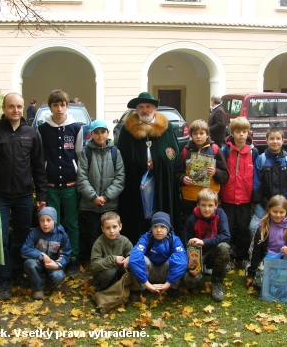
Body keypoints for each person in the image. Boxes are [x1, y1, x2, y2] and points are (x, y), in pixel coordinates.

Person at [0, 93, 47, 300]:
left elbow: (38, 167)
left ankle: (16, 272)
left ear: (23, 109)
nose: (16, 110)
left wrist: (41, 195)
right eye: (11, 106)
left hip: (23, 195)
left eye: (19, 106)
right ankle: (3, 281)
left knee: (22, 238)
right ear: (4, 108)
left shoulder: (31, 133)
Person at [117, 92, 180, 241]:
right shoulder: (127, 130)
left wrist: (158, 163)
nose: (145, 110)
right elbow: (123, 156)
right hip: (136, 181)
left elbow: (172, 153)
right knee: (137, 211)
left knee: (160, 207)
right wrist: (141, 163)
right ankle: (138, 242)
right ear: (136, 110)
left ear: (154, 109)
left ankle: (163, 242)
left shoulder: (167, 128)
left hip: (160, 181)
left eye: (148, 107)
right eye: (141, 107)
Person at [37, 89, 83, 276]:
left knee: (72, 223)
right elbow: (39, 158)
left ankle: (73, 257)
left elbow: (79, 154)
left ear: (67, 106)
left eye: (62, 104)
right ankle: (53, 257)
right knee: (51, 224)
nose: (59, 108)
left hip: (71, 187)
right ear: (50, 107)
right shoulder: (42, 129)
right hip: (51, 188)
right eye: (55, 105)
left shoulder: (76, 128)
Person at [77, 120, 125, 250]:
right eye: (96, 132)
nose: (100, 135)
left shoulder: (115, 152)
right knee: (92, 236)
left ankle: (111, 262)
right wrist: (94, 197)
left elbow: (120, 179)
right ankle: (95, 264)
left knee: (111, 235)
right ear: (91, 134)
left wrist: (105, 197)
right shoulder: (86, 152)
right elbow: (81, 179)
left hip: (109, 205)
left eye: (103, 132)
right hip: (90, 206)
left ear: (108, 133)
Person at [245, 195, 287, 288]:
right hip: (269, 259)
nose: (278, 215)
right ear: (268, 210)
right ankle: (270, 277)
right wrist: (251, 275)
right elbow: (255, 251)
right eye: (274, 211)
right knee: (259, 284)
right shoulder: (263, 227)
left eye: (281, 212)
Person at [220, 117, 259, 270]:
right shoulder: (225, 150)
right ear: (232, 132)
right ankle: (228, 257)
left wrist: (254, 197)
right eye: (238, 132)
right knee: (227, 228)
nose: (241, 135)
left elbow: (256, 176)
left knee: (243, 228)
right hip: (228, 198)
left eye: (244, 132)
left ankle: (242, 256)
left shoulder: (253, 152)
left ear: (248, 133)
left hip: (245, 199)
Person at [175, 119, 229, 226]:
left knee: (210, 227)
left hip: (210, 200)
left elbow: (225, 175)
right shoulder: (185, 152)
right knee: (190, 227)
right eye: (195, 134)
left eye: (201, 133)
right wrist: (182, 178)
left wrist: (215, 172)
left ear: (207, 134)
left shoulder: (215, 150)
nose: (198, 136)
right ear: (191, 135)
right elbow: (177, 174)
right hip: (190, 199)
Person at [182, 189, 231, 302]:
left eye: (210, 205)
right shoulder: (192, 220)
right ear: (198, 205)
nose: (207, 209)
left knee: (224, 247)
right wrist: (191, 266)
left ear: (216, 205)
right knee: (190, 282)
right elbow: (186, 244)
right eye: (203, 205)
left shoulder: (220, 214)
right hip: (197, 256)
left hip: (214, 252)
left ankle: (217, 283)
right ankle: (201, 274)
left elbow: (226, 236)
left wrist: (204, 242)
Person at [251, 127, 287, 237]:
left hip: (283, 205)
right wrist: (257, 202)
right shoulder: (261, 160)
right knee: (254, 228)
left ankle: (281, 251)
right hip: (264, 204)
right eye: (272, 138)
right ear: (266, 140)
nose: (275, 141)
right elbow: (257, 182)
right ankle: (258, 251)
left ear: (283, 140)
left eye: (278, 139)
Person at [129, 212, 188, 300]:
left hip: (166, 274)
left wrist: (168, 284)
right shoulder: (146, 238)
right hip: (149, 274)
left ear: (168, 228)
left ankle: (173, 288)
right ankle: (141, 288)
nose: (158, 230)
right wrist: (147, 284)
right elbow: (134, 259)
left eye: (162, 227)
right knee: (138, 259)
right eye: (155, 227)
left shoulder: (174, 240)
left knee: (177, 259)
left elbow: (182, 261)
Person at [21, 207, 70, 300]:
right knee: (30, 264)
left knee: (58, 276)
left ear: (54, 221)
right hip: (38, 261)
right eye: (42, 220)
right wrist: (42, 255)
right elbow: (25, 249)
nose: (45, 224)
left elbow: (66, 254)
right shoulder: (35, 233)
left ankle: (50, 282)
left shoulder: (62, 235)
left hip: (53, 262)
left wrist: (57, 264)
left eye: (48, 220)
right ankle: (38, 287)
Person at [90, 212, 133, 292]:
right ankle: (104, 289)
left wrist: (128, 259)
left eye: (114, 227)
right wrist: (113, 259)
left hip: (120, 271)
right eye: (107, 228)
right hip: (103, 274)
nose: (112, 231)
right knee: (110, 272)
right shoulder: (99, 243)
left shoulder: (125, 241)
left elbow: (133, 254)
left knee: (133, 266)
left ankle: (128, 288)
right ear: (102, 229)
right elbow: (94, 265)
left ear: (120, 226)